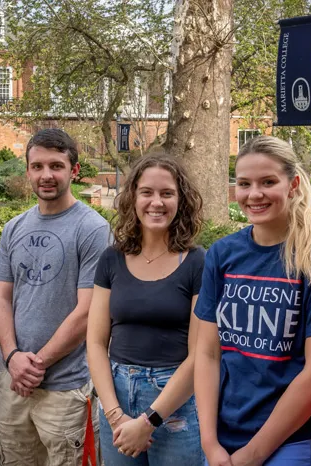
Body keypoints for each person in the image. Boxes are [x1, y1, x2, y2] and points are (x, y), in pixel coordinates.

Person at [194, 135, 311, 466]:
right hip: (223, 436)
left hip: (290, 440)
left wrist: (254, 453)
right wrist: (209, 442)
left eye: (268, 182)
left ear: (292, 184)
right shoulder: (222, 253)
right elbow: (207, 353)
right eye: (244, 183)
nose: (254, 194)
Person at [0, 128, 111, 465]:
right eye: (38, 166)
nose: (46, 175)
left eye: (56, 166)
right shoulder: (15, 227)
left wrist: (37, 364)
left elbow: (87, 312)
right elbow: (1, 297)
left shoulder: (92, 228)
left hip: (67, 390)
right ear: (27, 170)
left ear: (74, 170)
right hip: (16, 382)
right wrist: (13, 357)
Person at [87, 152, 206, 465]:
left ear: (181, 200)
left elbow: (200, 355)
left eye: (167, 193)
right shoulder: (111, 258)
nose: (157, 202)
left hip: (174, 402)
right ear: (132, 198)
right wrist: (115, 416)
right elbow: (96, 343)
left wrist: (149, 420)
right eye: (147, 192)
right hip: (117, 394)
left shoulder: (196, 262)